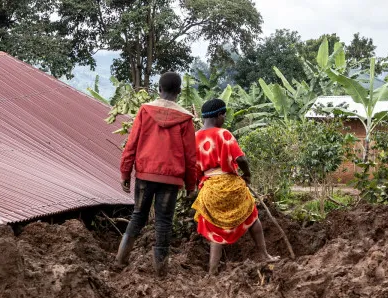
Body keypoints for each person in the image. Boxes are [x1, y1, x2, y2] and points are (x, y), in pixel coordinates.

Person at [116, 72, 198, 277]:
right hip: (171, 180)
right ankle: (160, 270)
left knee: (138, 216)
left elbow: (131, 144)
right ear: (179, 91)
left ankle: (120, 261)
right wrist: (190, 185)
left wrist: (125, 172)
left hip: (145, 175)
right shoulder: (185, 118)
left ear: (159, 89)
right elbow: (190, 156)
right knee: (164, 222)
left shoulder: (145, 111)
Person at [191, 98, 279, 275]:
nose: (224, 118)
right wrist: (247, 175)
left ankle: (212, 270)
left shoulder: (194, 137)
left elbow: (192, 167)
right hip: (231, 185)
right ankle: (264, 255)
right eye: (224, 115)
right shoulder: (224, 134)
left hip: (210, 188)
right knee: (252, 217)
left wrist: (195, 185)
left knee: (215, 228)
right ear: (219, 115)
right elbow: (241, 159)